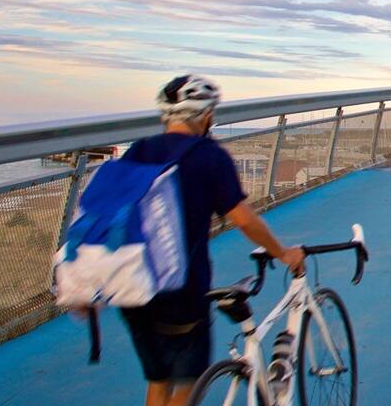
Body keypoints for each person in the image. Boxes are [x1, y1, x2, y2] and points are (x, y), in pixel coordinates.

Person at [122, 74, 305, 406]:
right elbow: (243, 218)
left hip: (133, 287)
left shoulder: (139, 150)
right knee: (187, 384)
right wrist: (281, 253)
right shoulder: (209, 155)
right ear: (205, 115)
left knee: (159, 380)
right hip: (182, 289)